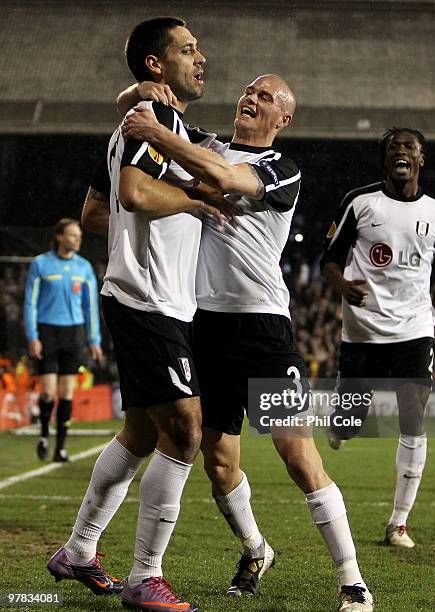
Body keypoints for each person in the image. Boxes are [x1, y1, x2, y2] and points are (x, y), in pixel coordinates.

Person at [120, 74, 374, 612]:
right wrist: (138, 94)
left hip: (263, 331)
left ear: (283, 119)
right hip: (205, 327)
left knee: (299, 457)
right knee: (217, 463)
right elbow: (145, 115)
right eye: (248, 92)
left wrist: (165, 139)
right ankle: (256, 548)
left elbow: (222, 175)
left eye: (265, 97)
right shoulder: (205, 145)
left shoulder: (281, 170)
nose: (249, 99)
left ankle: (351, 578)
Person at [46, 17, 229, 612]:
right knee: (186, 430)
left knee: (143, 433)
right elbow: (130, 194)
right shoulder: (160, 123)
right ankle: (146, 576)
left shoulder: (146, 121)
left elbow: (96, 214)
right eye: (187, 49)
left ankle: (77, 551)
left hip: (151, 298)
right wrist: (197, 200)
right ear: (156, 64)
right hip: (148, 300)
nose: (201, 57)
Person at [320, 127, 435, 548]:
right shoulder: (360, 204)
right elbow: (330, 260)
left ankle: (398, 523)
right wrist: (342, 286)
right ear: (385, 159)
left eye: (409, 146)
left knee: (414, 414)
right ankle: (343, 419)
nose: (401, 152)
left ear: (421, 158)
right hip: (361, 329)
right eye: (394, 147)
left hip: (414, 328)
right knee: (348, 426)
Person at [23, 218, 102, 462]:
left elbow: (91, 307)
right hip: (48, 332)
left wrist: (94, 340)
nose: (78, 239)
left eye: (79, 236)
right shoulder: (41, 264)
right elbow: (30, 303)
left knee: (67, 392)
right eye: (72, 235)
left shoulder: (84, 268)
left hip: (74, 334)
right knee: (48, 392)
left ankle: (60, 448)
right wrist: (32, 336)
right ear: (59, 237)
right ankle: (45, 433)